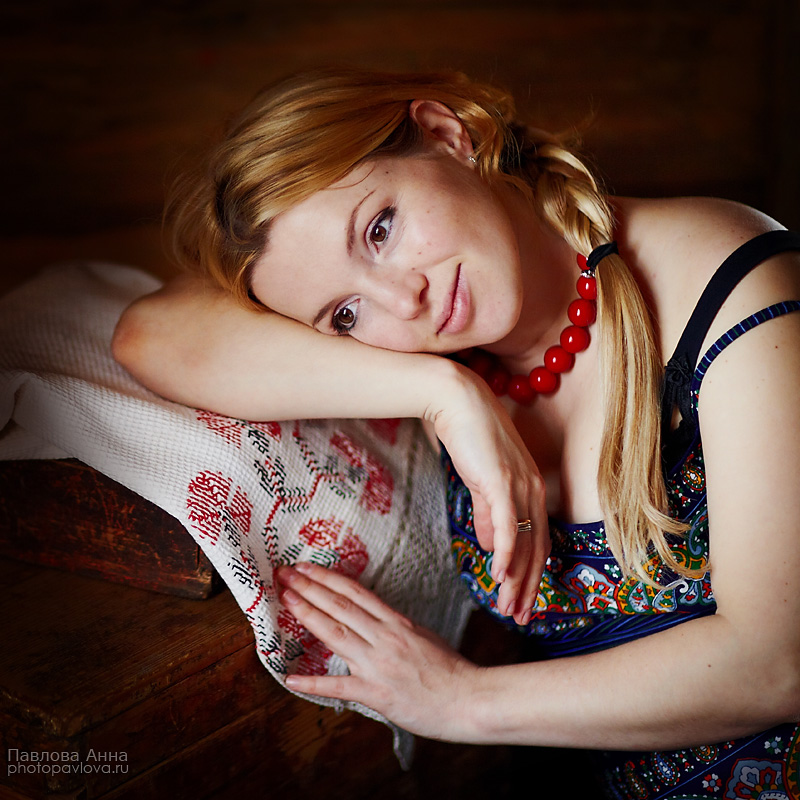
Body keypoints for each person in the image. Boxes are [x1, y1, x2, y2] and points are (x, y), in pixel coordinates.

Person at [112, 67, 800, 797]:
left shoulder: (734, 284)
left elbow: (778, 664)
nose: (403, 299)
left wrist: (459, 700)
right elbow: (147, 334)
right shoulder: (449, 367)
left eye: (380, 230)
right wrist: (443, 394)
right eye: (345, 315)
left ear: (447, 135)